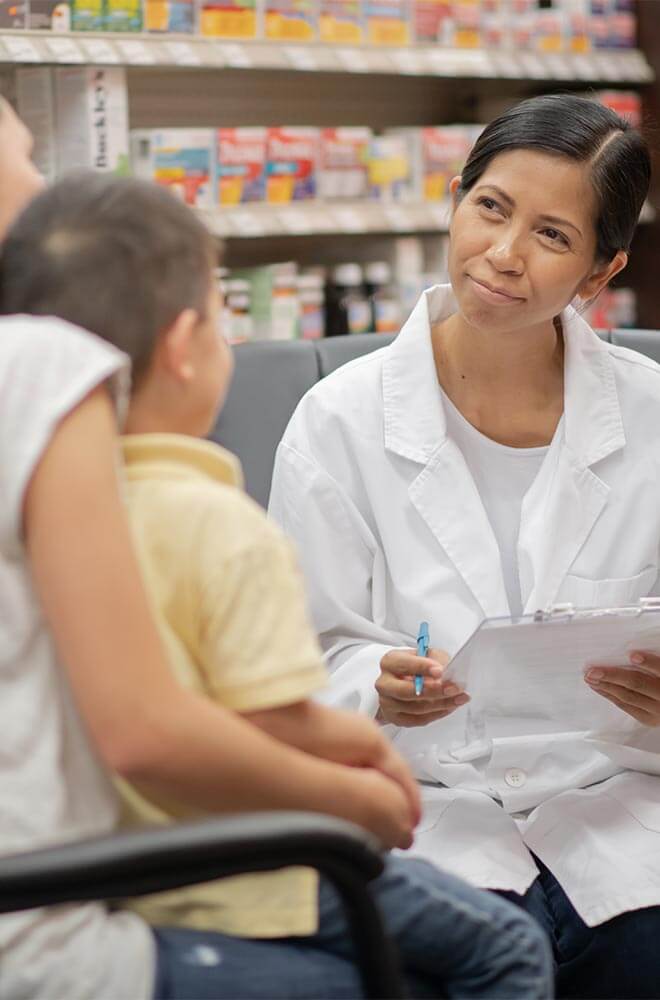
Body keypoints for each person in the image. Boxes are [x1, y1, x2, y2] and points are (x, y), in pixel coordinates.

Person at [0, 165, 552, 999]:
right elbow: (271, 718)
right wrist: (364, 766)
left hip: (128, 864)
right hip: (249, 868)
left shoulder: (51, 518)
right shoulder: (221, 522)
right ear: (186, 348)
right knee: (505, 948)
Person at [268, 93, 660, 999]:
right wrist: (374, 686)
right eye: (491, 207)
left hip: (619, 800)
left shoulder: (650, 415)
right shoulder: (338, 421)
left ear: (601, 272)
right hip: (429, 806)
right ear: (455, 199)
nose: (504, 253)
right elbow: (297, 656)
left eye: (553, 235)